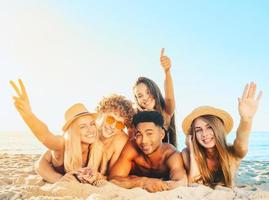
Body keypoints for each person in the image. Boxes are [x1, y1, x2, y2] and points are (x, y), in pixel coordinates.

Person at [10, 79, 106, 184]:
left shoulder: (97, 147)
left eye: (92, 124)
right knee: (44, 159)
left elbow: (105, 176)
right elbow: (45, 135)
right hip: (48, 161)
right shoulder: (62, 144)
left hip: (47, 157)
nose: (90, 129)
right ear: (73, 131)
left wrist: (97, 176)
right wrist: (28, 115)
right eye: (82, 126)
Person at [36, 94, 135, 181]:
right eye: (110, 119)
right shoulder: (84, 128)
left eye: (119, 125)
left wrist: (98, 177)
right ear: (101, 113)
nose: (112, 126)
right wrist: (57, 178)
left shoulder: (120, 140)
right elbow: (42, 161)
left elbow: (112, 176)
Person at [181, 82, 262, 188]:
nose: (204, 134)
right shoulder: (187, 154)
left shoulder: (233, 153)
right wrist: (192, 150)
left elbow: (242, 143)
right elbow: (194, 184)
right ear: (193, 135)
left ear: (218, 128)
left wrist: (246, 119)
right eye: (198, 130)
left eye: (209, 127)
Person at [109, 111, 187, 193]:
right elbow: (113, 179)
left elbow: (180, 182)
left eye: (149, 134)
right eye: (139, 135)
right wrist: (143, 182)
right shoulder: (132, 148)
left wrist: (159, 184)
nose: (144, 141)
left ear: (162, 134)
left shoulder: (171, 155)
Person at [133, 48, 177, 147]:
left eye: (148, 92)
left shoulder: (165, 113)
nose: (145, 97)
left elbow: (169, 98)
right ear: (137, 100)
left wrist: (167, 71)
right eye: (140, 96)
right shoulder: (136, 119)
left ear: (155, 91)